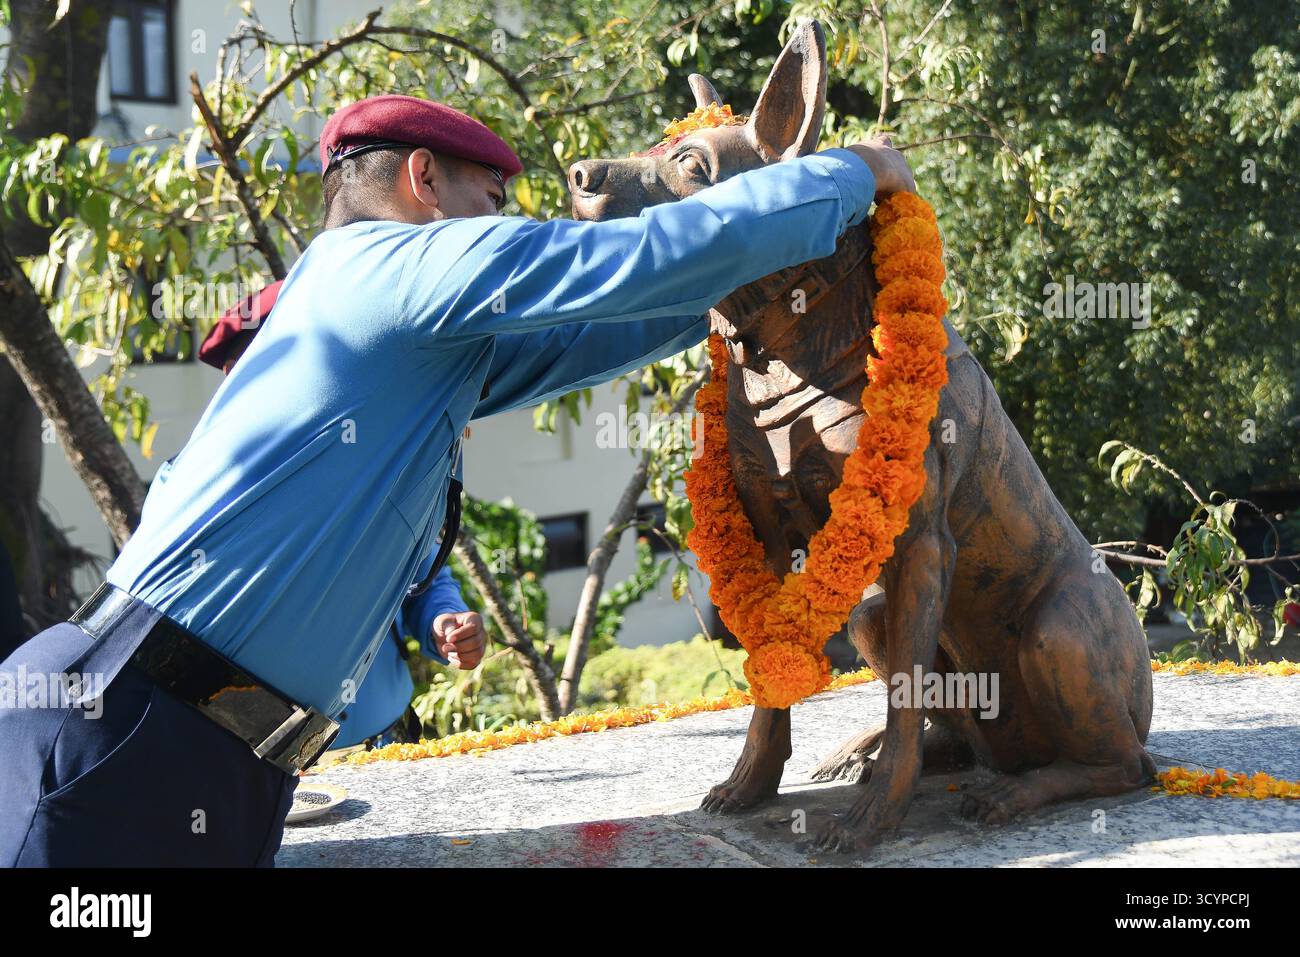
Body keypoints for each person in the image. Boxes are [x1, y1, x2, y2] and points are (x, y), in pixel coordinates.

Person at [0, 92, 912, 866]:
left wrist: (764, 281)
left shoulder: (393, 321)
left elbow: (614, 322)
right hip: (123, 746)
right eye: (494, 194)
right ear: (422, 181)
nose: (507, 214)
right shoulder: (388, 267)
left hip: (204, 761)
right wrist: (850, 174)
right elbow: (625, 263)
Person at [197, 283, 480, 751]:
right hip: (268, 766)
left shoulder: (375, 473)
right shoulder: (206, 493)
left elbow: (418, 577)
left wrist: (443, 623)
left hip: (386, 741)